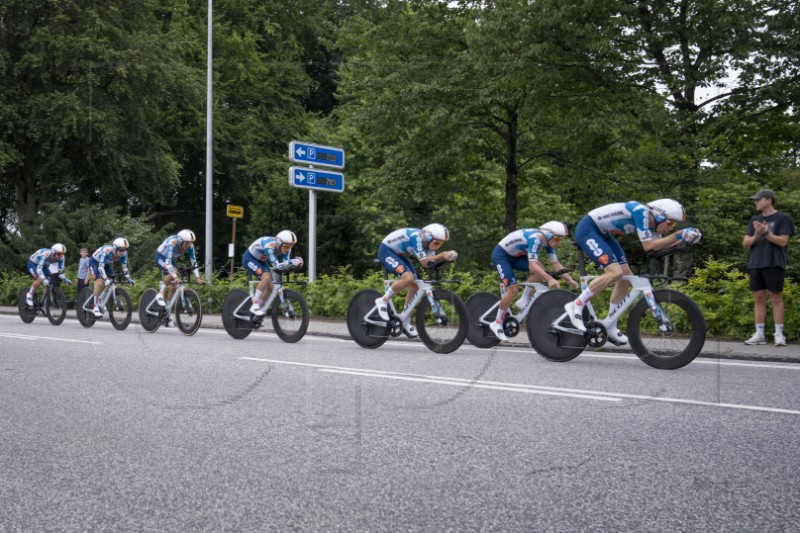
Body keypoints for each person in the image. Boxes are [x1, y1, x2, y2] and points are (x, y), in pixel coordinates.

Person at [565, 199, 700, 345]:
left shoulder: (652, 223)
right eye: (671, 223)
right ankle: (576, 304)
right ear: (659, 215)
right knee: (615, 273)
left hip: (602, 233)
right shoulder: (641, 213)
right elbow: (650, 247)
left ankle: (610, 324)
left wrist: (685, 240)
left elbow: (658, 249)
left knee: (626, 277)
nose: (670, 228)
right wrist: (679, 235)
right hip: (588, 229)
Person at [490, 222, 580, 341]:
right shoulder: (536, 238)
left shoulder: (548, 242)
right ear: (548, 234)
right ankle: (497, 322)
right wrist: (549, 279)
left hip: (516, 256)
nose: (559, 242)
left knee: (540, 268)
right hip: (502, 255)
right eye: (558, 238)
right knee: (513, 289)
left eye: (561, 239)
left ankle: (523, 300)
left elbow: (555, 264)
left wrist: (569, 279)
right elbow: (532, 266)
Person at [374, 223, 458, 337]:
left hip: (399, 255)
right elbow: (424, 261)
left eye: (441, 244)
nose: (438, 246)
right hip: (386, 251)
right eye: (437, 242)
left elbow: (429, 263)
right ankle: (383, 300)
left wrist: (447, 258)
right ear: (428, 237)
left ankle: (405, 322)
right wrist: (443, 255)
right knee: (408, 278)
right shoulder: (417, 236)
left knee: (415, 286)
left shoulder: (428, 244)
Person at [742, 189, 794, 346]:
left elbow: (783, 241)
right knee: (758, 299)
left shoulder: (783, 218)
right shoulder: (755, 219)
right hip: (756, 263)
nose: (755, 202)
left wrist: (766, 233)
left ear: (769, 200)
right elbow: (745, 243)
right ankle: (759, 334)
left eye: (758, 199)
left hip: (774, 263)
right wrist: (757, 235)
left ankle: (779, 334)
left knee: (776, 298)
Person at [242, 230, 304, 316]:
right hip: (249, 258)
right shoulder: (269, 246)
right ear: (279, 243)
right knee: (267, 277)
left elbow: (285, 265)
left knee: (270, 287)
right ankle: (255, 305)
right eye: (286, 246)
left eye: (291, 246)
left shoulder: (285, 249)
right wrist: (293, 261)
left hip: (261, 260)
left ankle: (256, 311)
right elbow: (277, 266)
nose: (288, 249)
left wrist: (294, 265)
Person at [154, 229, 206, 309]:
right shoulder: (172, 243)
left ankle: (166, 309)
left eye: (190, 243)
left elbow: (194, 261)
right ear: (180, 240)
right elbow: (168, 264)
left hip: (170, 259)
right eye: (186, 243)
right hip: (161, 257)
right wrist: (175, 277)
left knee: (175, 285)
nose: (188, 245)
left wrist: (197, 278)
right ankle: (160, 293)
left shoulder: (190, 246)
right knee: (174, 273)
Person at [87, 238, 135, 317]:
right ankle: (95, 307)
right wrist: (105, 279)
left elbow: (125, 268)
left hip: (105, 264)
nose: (123, 252)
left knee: (112, 281)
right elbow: (100, 268)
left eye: (125, 250)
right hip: (95, 262)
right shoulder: (107, 251)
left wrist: (128, 279)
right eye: (121, 250)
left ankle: (101, 299)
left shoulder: (123, 254)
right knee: (99, 282)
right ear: (115, 248)